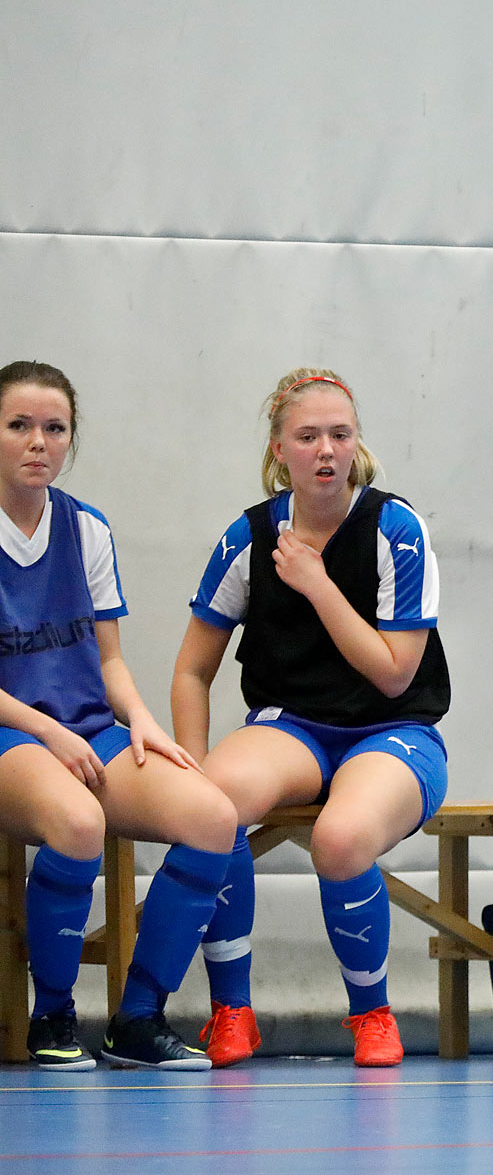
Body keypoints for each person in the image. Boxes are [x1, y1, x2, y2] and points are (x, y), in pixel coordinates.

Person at [171, 368, 451, 1067]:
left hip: (393, 732)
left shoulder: (396, 527)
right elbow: (191, 670)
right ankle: (231, 1009)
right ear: (279, 450)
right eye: (308, 436)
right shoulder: (248, 537)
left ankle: (372, 1013)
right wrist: (191, 761)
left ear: (357, 444)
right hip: (290, 728)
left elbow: (393, 671)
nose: (327, 450)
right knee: (212, 807)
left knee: (342, 836)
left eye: (341, 434)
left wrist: (318, 584)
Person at [0, 359, 239, 1070]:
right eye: (19, 426)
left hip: (85, 729)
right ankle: (53, 1014)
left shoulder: (87, 530)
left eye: (54, 428)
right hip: (17, 731)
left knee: (213, 817)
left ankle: (136, 1020)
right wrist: (47, 731)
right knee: (78, 822)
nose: (38, 442)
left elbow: (108, 660)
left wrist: (139, 717)